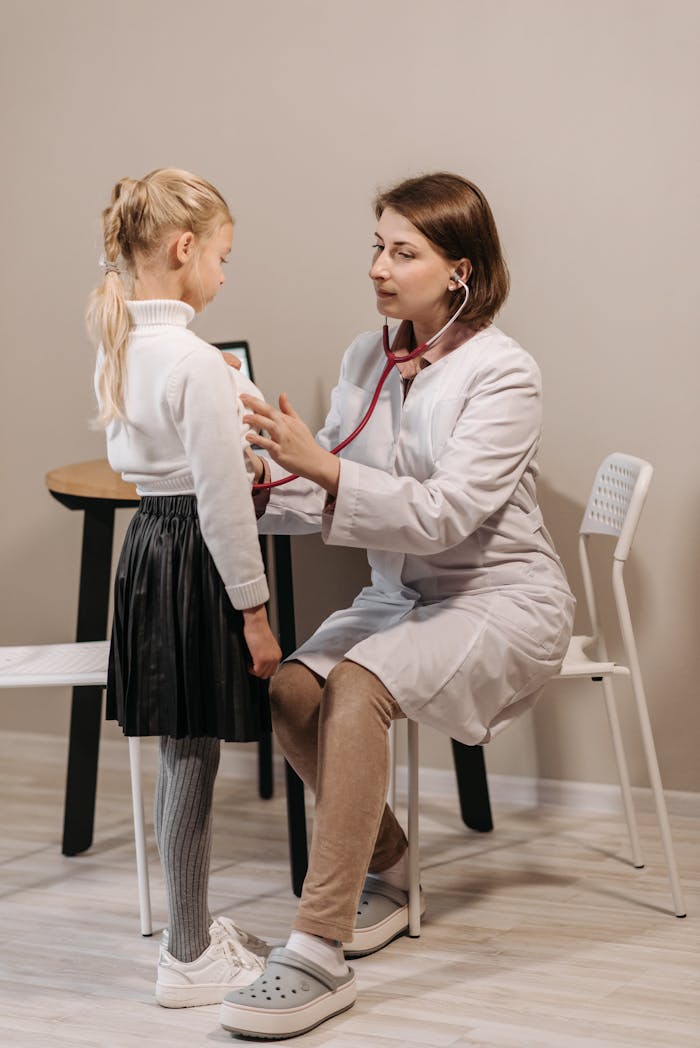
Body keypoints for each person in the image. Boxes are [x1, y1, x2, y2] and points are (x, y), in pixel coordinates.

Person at [218, 172, 576, 1040]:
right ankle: (391, 867)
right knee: (294, 690)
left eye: (402, 252)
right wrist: (261, 484)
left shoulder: (506, 374)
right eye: (376, 246)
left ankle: (318, 949)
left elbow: (444, 511)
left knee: (358, 681)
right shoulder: (367, 356)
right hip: (403, 595)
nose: (379, 267)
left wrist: (321, 466)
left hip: (501, 598)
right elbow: (329, 481)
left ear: (459, 269)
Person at [88, 168, 282, 1008]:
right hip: (195, 554)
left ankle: (191, 935)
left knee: (181, 753)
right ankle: (189, 958)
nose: (225, 276)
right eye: (223, 257)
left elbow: (159, 465)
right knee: (193, 758)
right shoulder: (198, 361)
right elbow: (223, 506)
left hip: (146, 548)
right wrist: (257, 614)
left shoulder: (119, 341)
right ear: (184, 247)